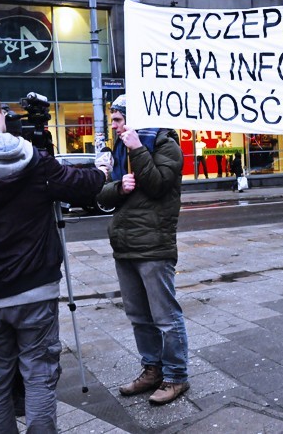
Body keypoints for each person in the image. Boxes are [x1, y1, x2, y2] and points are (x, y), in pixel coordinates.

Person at [0, 85, 106, 432]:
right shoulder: (33, 159)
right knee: (39, 378)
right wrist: (104, 171)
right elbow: (78, 183)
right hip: (37, 290)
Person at [96, 95, 190, 405]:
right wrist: (116, 184)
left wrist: (138, 148)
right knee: (138, 315)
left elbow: (159, 184)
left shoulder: (165, 145)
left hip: (153, 245)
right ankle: (152, 369)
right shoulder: (120, 150)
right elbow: (105, 195)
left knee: (165, 316)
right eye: (113, 120)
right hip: (125, 244)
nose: (114, 125)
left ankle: (176, 376)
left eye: (119, 119)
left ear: (135, 120)